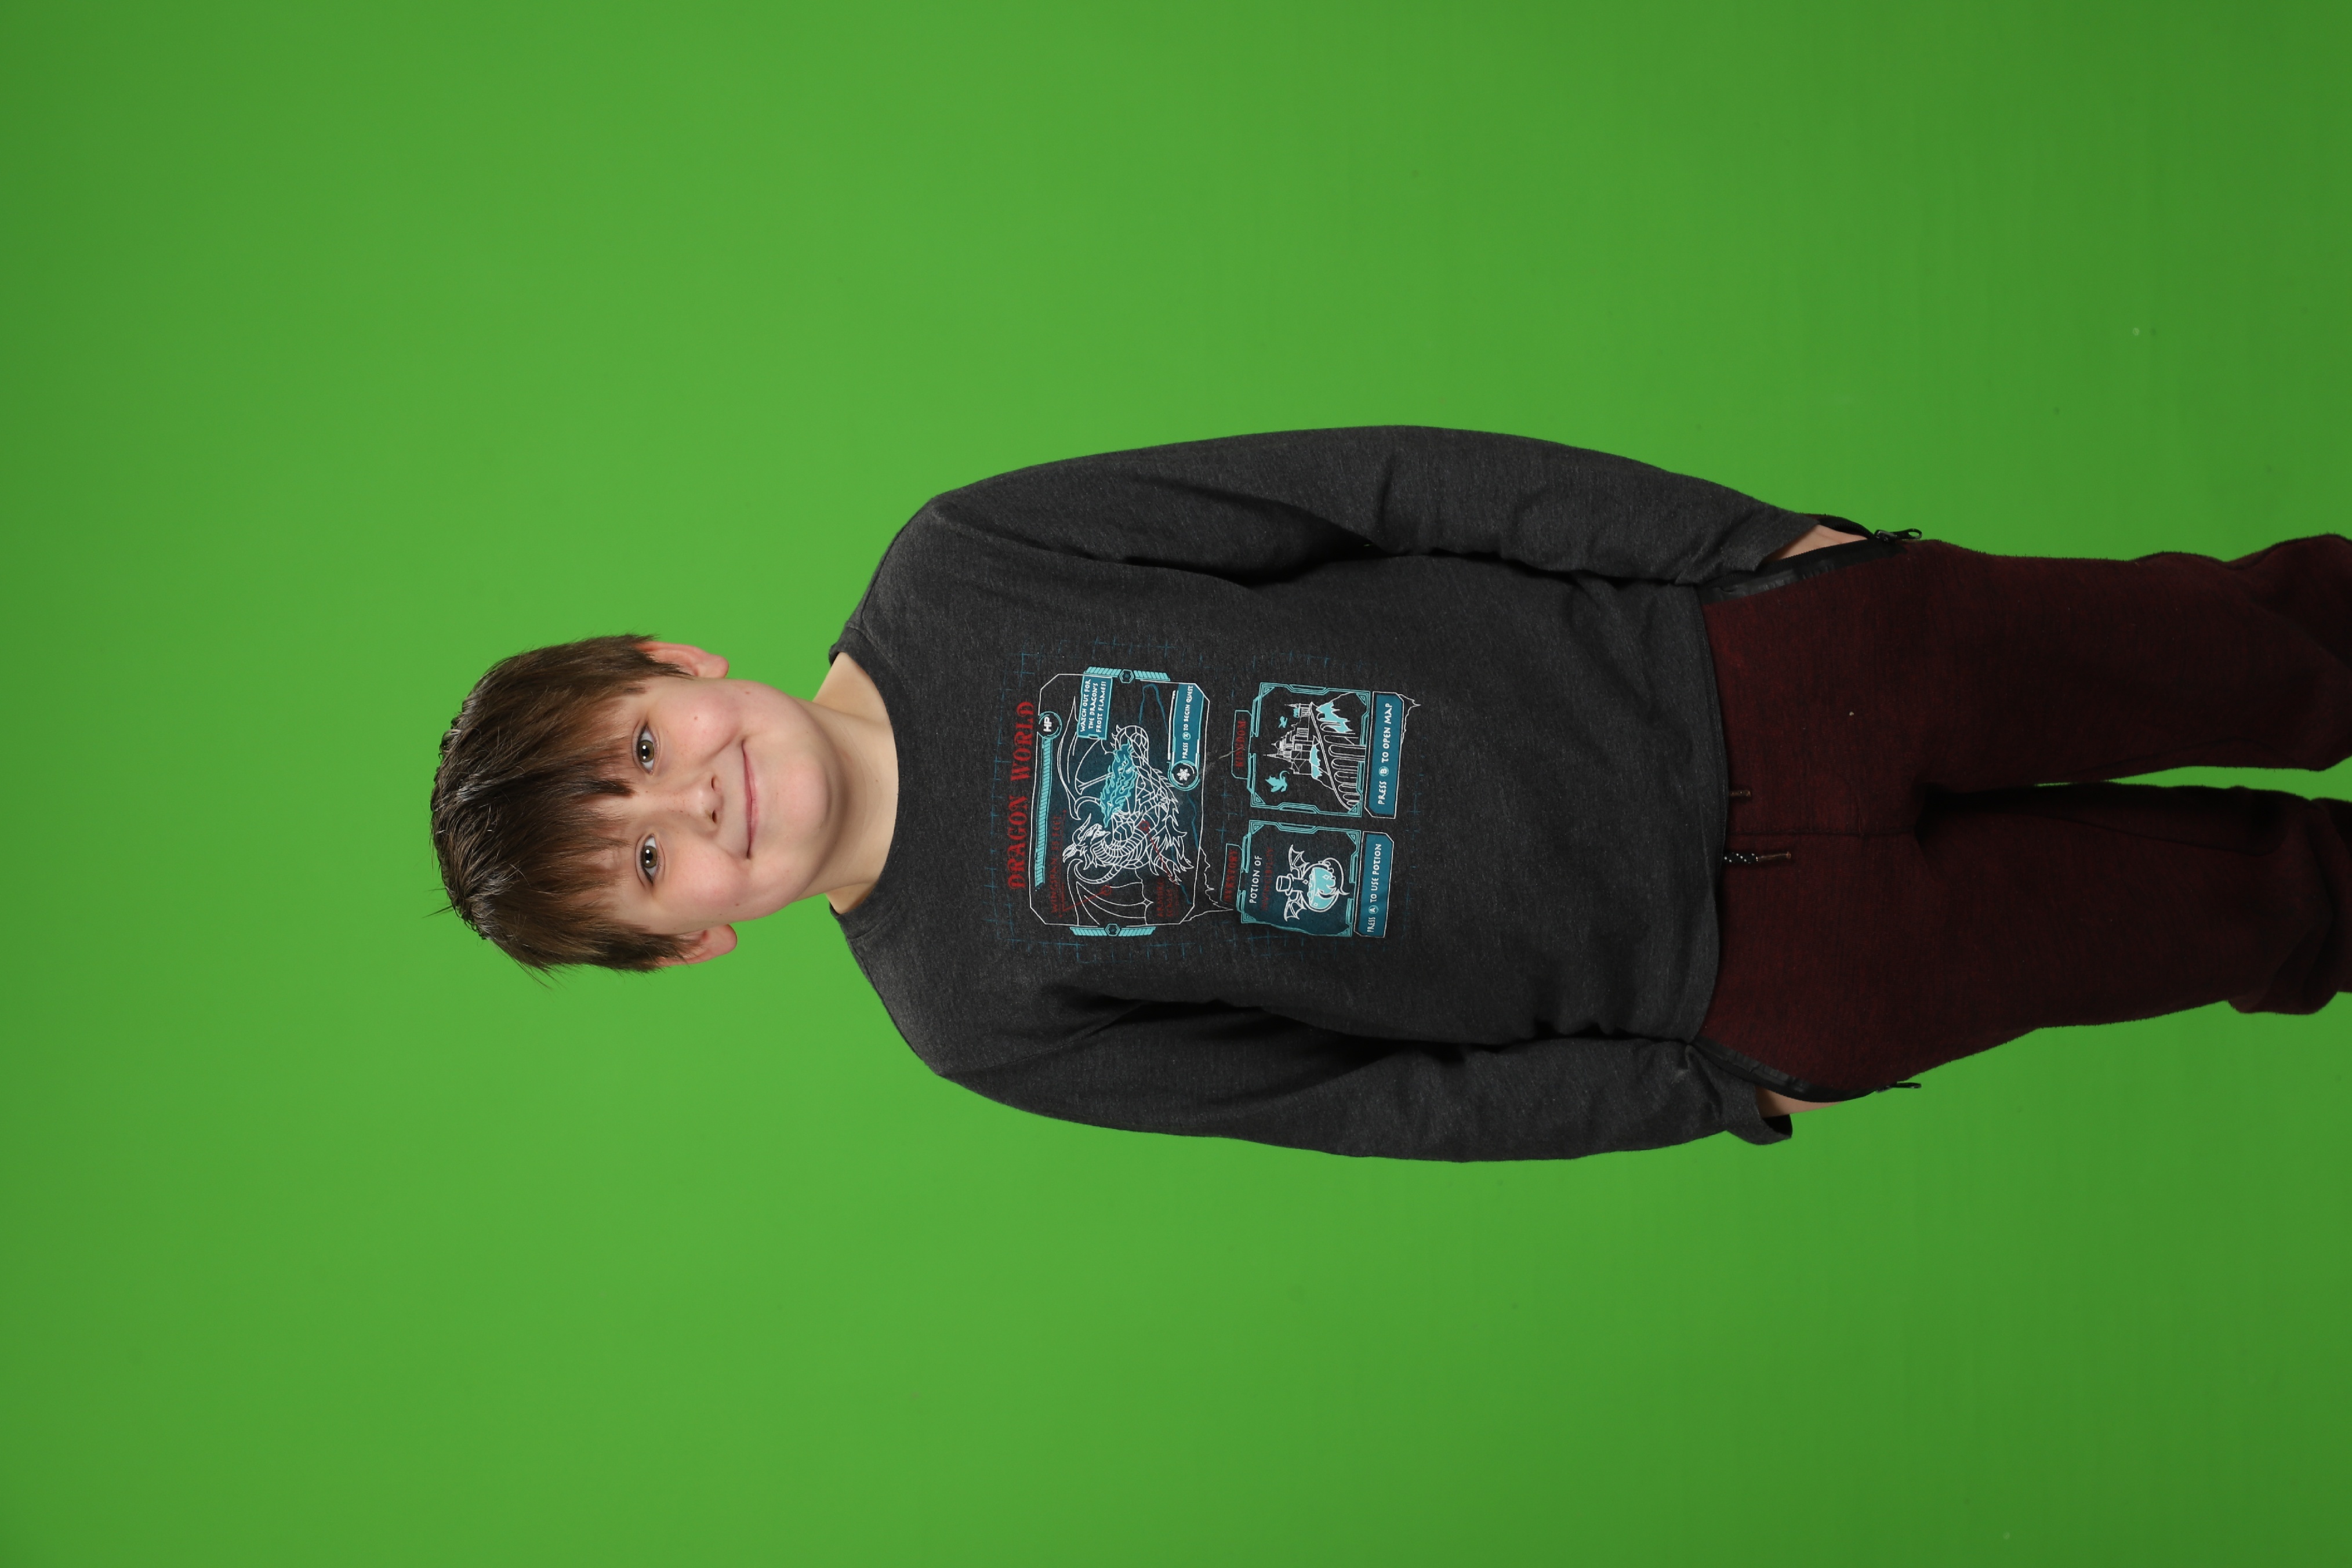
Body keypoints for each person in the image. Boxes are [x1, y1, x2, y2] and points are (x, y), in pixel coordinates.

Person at [430, 427, 2352, 1160]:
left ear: (672, 660)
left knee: (2265, 649)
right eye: (651, 861)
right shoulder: (969, 1011)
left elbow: (1378, 488)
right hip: (1753, 978)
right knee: (2257, 916)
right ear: (691, 944)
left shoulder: (966, 567)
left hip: (1759, 668)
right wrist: (1705, 1086)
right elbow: (1357, 1104)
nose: (702, 805)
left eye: (646, 753)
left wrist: (1740, 556)